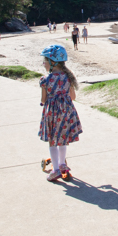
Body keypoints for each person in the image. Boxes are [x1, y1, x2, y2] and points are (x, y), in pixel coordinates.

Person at [38, 45, 82, 182]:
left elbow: (43, 100)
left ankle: (56, 170)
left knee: (52, 140)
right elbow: (73, 97)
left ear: (52, 62)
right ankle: (63, 165)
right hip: (66, 112)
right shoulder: (68, 78)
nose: (43, 63)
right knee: (63, 139)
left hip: (52, 113)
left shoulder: (45, 80)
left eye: (45, 60)